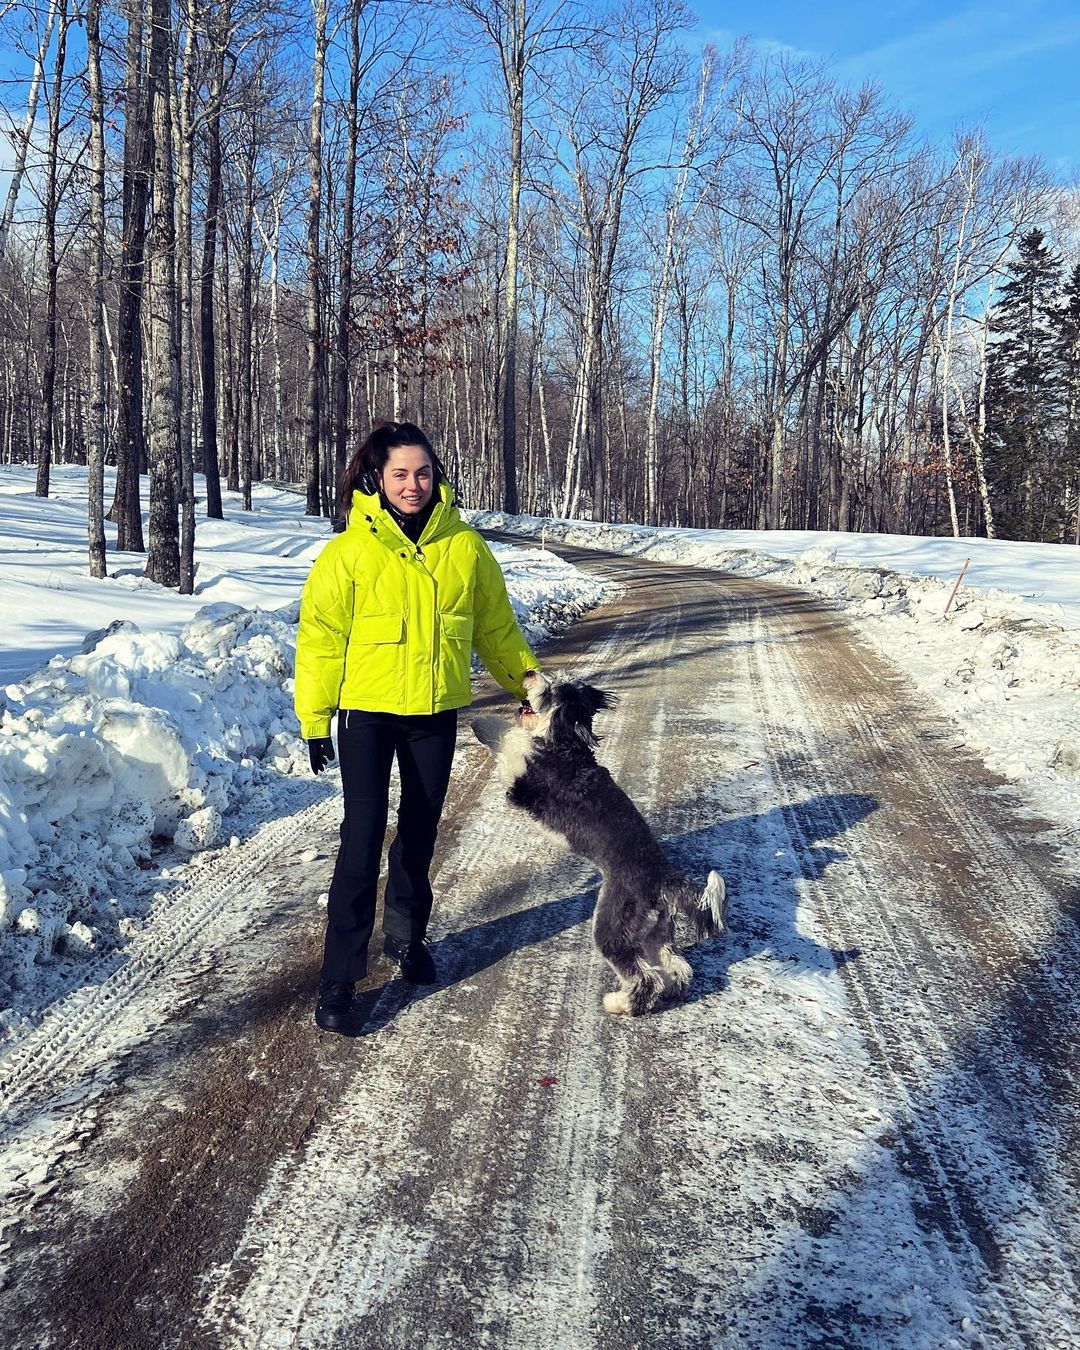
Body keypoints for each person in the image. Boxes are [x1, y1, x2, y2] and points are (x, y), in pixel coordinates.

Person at [294, 420, 541, 1033]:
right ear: (376, 478)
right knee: (362, 834)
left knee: (422, 827)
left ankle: (405, 939)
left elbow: (494, 628)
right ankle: (339, 977)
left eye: (423, 473)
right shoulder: (348, 552)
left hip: (433, 711)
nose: (413, 484)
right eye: (400, 474)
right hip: (366, 713)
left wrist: (529, 683)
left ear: (438, 476)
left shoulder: (465, 547)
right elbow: (321, 638)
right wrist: (315, 718)